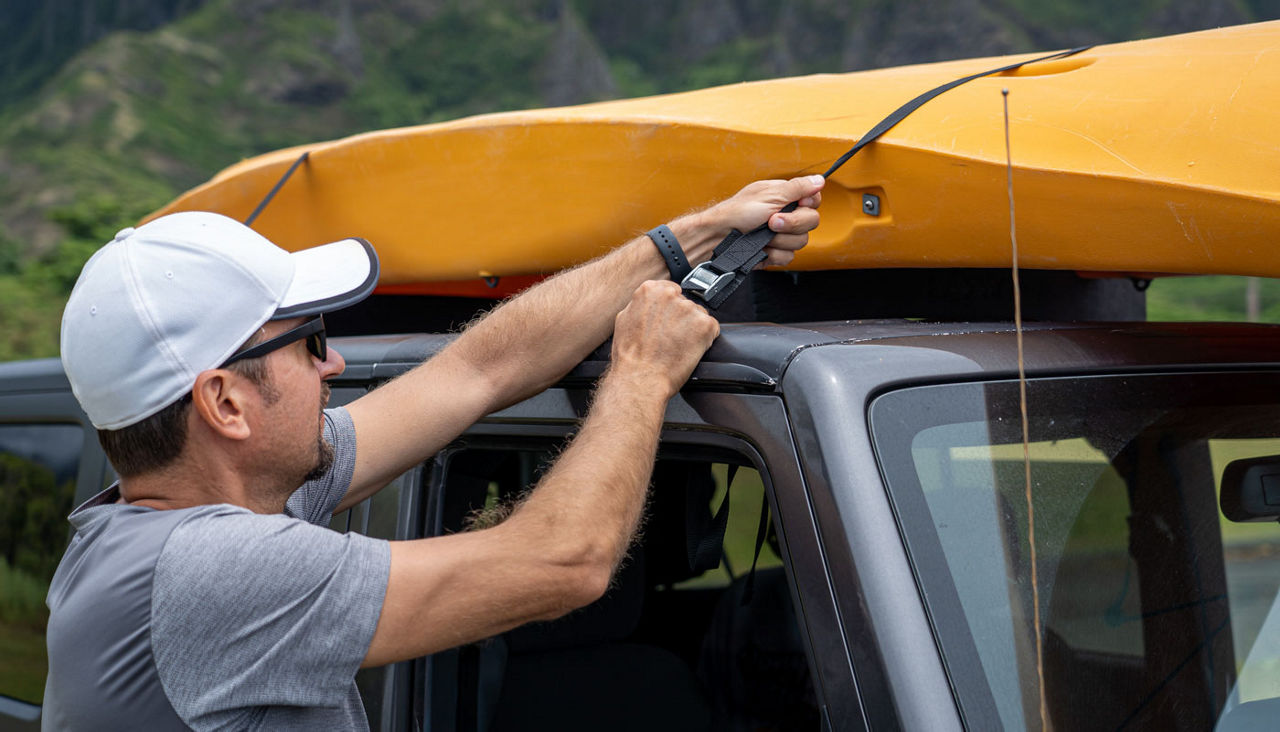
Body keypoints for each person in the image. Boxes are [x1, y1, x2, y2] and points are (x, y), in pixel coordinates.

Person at [43, 175, 824, 730]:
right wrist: (643, 373)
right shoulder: (215, 571)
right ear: (225, 404)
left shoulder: (157, 525)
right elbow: (562, 561)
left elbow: (473, 373)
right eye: (310, 341)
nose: (334, 364)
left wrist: (688, 239)